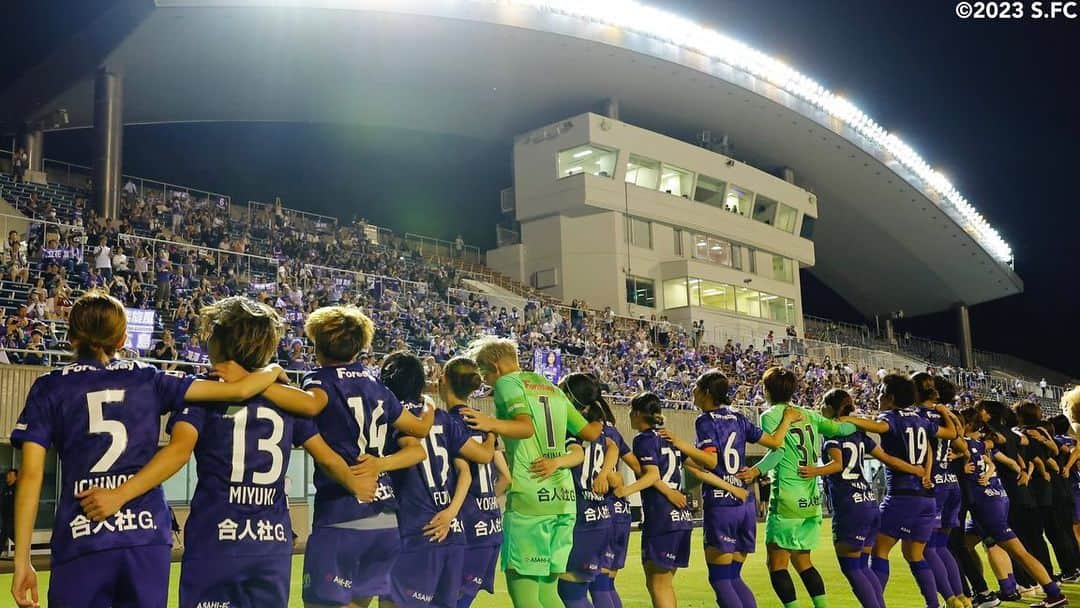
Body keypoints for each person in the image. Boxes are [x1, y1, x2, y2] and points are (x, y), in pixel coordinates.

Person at [78, 296, 378, 608]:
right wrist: (356, 483)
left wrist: (119, 494)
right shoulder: (287, 402)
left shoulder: (205, 394)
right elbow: (326, 455)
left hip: (216, 540)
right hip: (271, 543)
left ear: (219, 343)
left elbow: (178, 452)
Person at [10, 291, 283, 608]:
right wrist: (272, 370)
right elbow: (240, 390)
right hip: (146, 537)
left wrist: (22, 560)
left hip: (82, 534)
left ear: (70, 337)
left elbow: (30, 476)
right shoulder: (148, 377)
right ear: (123, 338)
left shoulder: (50, 386)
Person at [251, 305, 434, 607]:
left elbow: (310, 405)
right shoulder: (377, 386)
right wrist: (426, 403)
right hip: (386, 520)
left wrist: (263, 378)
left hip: (342, 513)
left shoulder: (320, 379)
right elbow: (418, 429)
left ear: (317, 345)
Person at [458, 336, 603, 608]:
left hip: (531, 498)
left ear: (496, 367)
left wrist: (490, 422)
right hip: (563, 499)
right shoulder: (548, 385)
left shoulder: (507, 384)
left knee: (525, 597)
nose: (487, 382)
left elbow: (525, 427)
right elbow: (588, 432)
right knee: (548, 595)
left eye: (485, 374)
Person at [661, 369, 801, 608]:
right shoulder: (739, 418)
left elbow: (711, 461)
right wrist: (786, 419)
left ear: (706, 393)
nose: (692, 393)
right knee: (733, 576)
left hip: (721, 504)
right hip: (745, 504)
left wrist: (680, 443)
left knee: (720, 578)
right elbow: (776, 443)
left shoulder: (705, 420)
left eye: (695, 388)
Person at [737, 367, 860, 608]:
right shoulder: (809, 414)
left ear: (767, 390)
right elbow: (842, 429)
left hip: (787, 497)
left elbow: (778, 451)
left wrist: (755, 471)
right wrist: (852, 419)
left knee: (777, 563)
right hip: (811, 499)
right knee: (803, 561)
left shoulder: (771, 415)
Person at [381, 351, 495, 608]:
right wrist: (451, 513)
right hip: (452, 533)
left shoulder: (391, 418)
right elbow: (469, 468)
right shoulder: (442, 418)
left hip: (417, 531)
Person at [798, 388, 928, 608]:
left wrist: (814, 471)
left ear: (829, 408)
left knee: (851, 567)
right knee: (862, 566)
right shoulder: (859, 433)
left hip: (850, 506)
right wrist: (917, 470)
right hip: (869, 502)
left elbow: (838, 464)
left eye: (822, 403)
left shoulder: (833, 433)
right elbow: (887, 458)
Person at [841, 374, 958, 608]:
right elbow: (951, 434)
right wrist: (925, 472)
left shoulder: (891, 417)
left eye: (880, 391)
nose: (877, 396)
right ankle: (935, 604)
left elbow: (879, 426)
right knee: (916, 554)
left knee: (878, 550)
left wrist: (848, 419)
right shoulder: (921, 419)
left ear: (890, 397)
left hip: (902, 497)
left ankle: (875, 603)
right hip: (927, 499)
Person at [958, 406, 1069, 608]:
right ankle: (985, 591)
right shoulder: (982, 444)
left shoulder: (965, 444)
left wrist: (957, 463)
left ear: (967, 425)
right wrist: (1015, 469)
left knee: (1018, 551)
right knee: (962, 545)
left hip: (986, 504)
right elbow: (999, 459)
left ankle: (1053, 593)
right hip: (997, 497)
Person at [530, 373, 618, 608]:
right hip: (602, 516)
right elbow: (613, 447)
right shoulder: (597, 424)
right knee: (598, 586)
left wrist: (556, 462)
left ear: (568, 395)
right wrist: (604, 472)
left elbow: (577, 453)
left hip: (582, 518)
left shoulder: (572, 426)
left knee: (571, 593)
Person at [443, 356, 511, 608]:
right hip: (491, 525)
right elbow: (506, 477)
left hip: (463, 527)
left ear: (444, 380)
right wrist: (485, 500)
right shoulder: (485, 424)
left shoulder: (445, 423)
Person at [618, 392, 695, 608]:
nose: (630, 415)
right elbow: (699, 467)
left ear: (640, 413)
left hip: (662, 516)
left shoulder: (643, 439)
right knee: (662, 583)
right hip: (681, 517)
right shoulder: (668, 438)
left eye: (632, 411)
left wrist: (624, 491)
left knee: (658, 584)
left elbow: (652, 475)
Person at [912, 373, 971, 608]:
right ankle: (962, 597)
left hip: (932, 485)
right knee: (941, 546)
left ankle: (949, 598)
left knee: (926, 548)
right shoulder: (946, 416)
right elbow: (962, 446)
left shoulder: (917, 416)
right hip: (952, 484)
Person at [1, 469, 16, 558]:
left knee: (3, 535)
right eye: (8, 475)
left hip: (12, 517)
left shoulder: (17, 489)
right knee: (10, 534)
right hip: (5, 517)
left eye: (11, 475)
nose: (8, 476)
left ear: (15, 477)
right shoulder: (5, 489)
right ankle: (23, 550)